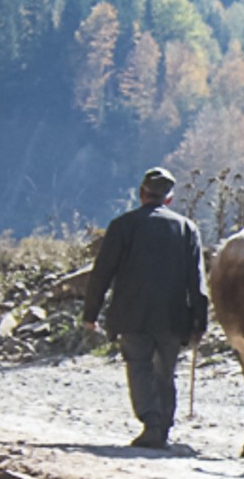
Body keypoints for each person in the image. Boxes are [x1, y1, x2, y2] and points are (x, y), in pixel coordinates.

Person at [82, 167, 209, 449]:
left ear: (141, 194)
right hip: (173, 317)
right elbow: (197, 281)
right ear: (169, 199)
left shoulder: (122, 225)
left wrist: (91, 314)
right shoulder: (187, 228)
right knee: (166, 370)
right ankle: (163, 424)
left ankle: (151, 422)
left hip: (131, 314)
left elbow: (101, 274)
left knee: (139, 367)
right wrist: (200, 321)